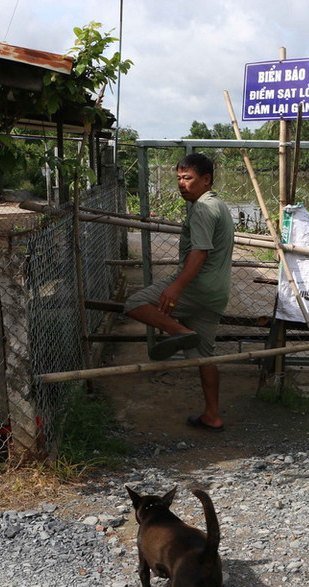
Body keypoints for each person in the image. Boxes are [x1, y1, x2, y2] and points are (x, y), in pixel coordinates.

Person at [123, 152, 234, 432]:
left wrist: (176, 286)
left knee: (135, 303)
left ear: (206, 180)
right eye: (179, 178)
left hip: (195, 287)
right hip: (217, 292)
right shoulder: (219, 205)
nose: (182, 184)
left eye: (188, 178)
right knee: (205, 356)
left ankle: (180, 332)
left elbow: (199, 252)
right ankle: (212, 415)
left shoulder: (202, 208)